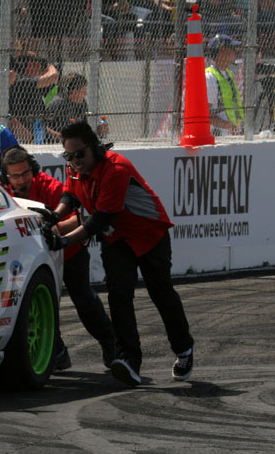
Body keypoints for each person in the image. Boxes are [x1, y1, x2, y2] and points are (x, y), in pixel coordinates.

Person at [47, 122, 195, 387]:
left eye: (79, 154)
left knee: (160, 292)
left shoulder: (116, 169)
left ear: (94, 148)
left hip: (148, 234)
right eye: (69, 156)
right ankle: (129, 360)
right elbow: (70, 196)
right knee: (118, 295)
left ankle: (183, 348)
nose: (75, 161)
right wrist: (53, 216)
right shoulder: (76, 170)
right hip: (116, 238)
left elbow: (99, 220)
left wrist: (64, 241)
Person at [0, 146, 117, 371]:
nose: (21, 180)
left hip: (68, 251)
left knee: (83, 299)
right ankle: (57, 351)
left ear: (33, 170)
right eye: (15, 176)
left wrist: (55, 228)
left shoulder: (50, 186)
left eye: (25, 173)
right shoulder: (0, 192)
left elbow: (78, 219)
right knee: (35, 304)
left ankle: (110, 342)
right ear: (6, 177)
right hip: (30, 260)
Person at [44, 72, 107, 143]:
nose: (85, 94)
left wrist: (97, 131)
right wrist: (57, 135)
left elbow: (82, 130)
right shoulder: (57, 103)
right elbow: (42, 126)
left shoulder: (82, 104)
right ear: (75, 92)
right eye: (84, 90)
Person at [204, 34, 243, 135]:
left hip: (231, 133)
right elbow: (205, 114)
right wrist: (227, 125)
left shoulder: (229, 74)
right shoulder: (210, 77)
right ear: (222, 51)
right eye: (232, 48)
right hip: (218, 136)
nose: (235, 52)